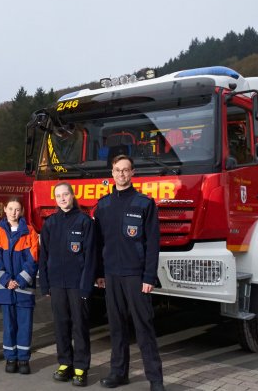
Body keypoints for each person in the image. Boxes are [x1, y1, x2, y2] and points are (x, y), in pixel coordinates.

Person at [95, 155, 165, 391]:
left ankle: (155, 379)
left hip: (136, 276)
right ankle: (119, 373)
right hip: (112, 275)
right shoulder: (103, 206)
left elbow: (153, 244)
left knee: (143, 326)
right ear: (112, 174)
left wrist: (148, 277)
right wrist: (99, 273)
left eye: (126, 170)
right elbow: (98, 243)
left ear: (133, 173)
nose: (121, 174)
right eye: (117, 170)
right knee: (116, 327)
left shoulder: (145, 203)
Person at [38, 182, 98, 387]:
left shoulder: (84, 222)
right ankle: (65, 363)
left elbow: (91, 257)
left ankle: (81, 367)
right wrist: (45, 284)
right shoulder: (50, 224)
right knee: (61, 325)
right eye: (59, 196)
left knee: (79, 326)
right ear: (55, 199)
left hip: (77, 284)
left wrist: (86, 286)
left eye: (66, 194)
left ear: (73, 196)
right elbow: (43, 256)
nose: (63, 198)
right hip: (56, 284)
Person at [0, 198, 39, 375]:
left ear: (22, 211)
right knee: (9, 325)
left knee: (24, 325)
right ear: (5, 209)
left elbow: (33, 261)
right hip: (5, 289)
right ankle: (10, 358)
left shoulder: (30, 232)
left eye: (17, 209)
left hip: (23, 288)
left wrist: (19, 280)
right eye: (10, 209)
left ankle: (23, 359)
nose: (13, 213)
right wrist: (6, 281)